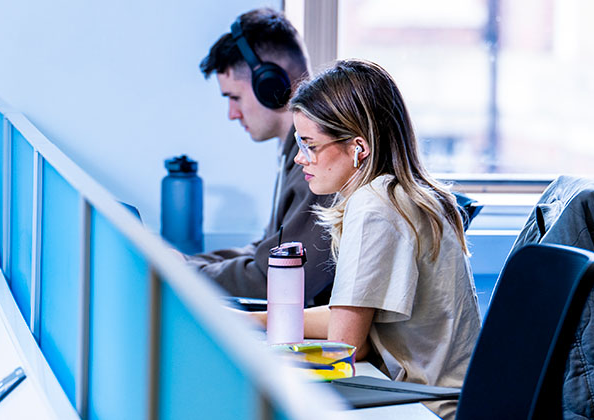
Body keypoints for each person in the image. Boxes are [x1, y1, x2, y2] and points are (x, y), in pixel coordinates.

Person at [253, 60, 482, 419]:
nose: (299, 157)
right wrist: (257, 320)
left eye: (309, 144)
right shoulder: (400, 195)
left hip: (430, 407)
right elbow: (349, 318)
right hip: (444, 398)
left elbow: (345, 347)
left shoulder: (374, 207)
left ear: (358, 147)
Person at [188, 8, 334, 305]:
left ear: (270, 84)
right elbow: (266, 251)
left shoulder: (320, 160)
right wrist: (191, 264)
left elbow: (279, 277)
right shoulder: (295, 153)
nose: (232, 114)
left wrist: (189, 274)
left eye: (234, 97)